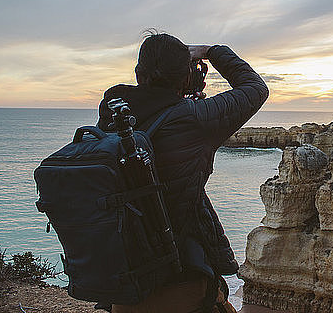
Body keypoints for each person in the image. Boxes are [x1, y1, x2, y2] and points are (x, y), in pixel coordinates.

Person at [96, 32, 269, 312]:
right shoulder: (194, 118)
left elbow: (156, 110)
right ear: (186, 76)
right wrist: (211, 51)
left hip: (123, 284)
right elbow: (255, 88)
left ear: (139, 73)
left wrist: (181, 94)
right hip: (181, 281)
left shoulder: (112, 117)